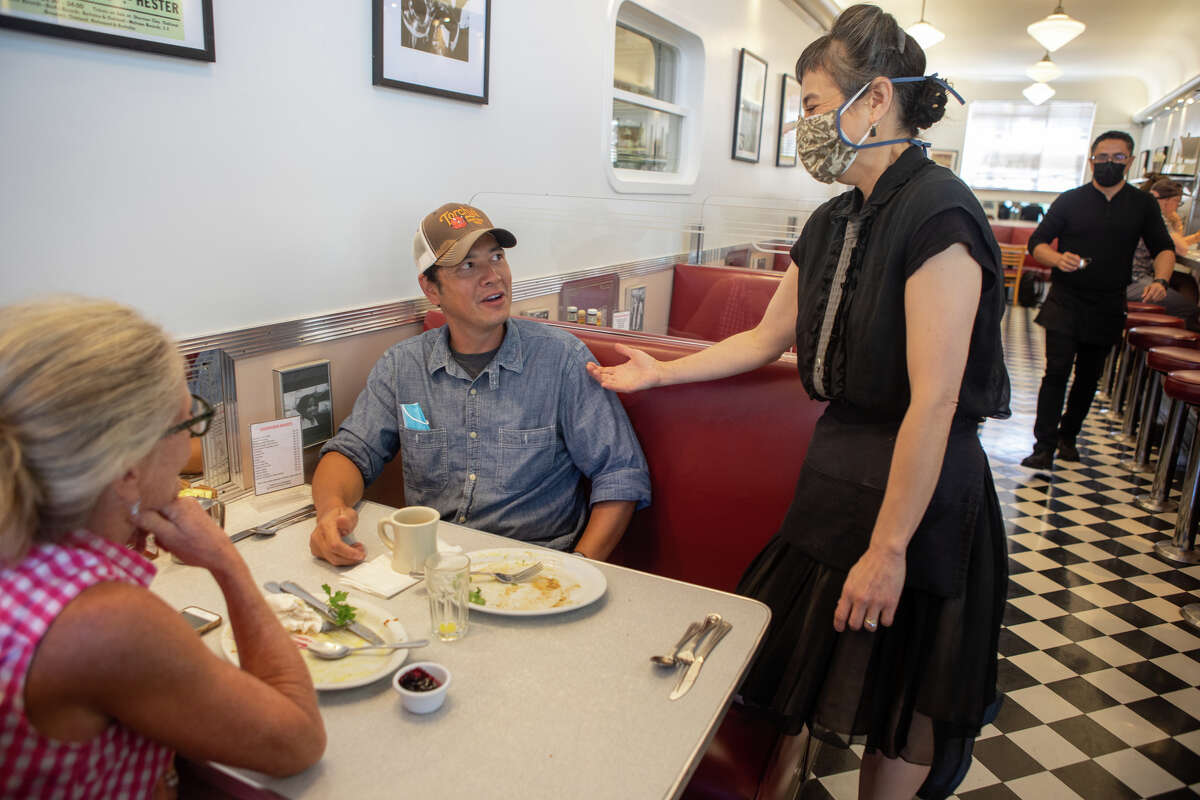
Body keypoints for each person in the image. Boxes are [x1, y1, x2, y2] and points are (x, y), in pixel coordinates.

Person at [589, 6, 1009, 798]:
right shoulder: (832, 219)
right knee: (825, 673)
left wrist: (888, 551)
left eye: (814, 106)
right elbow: (763, 339)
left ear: (875, 99)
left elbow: (936, 401)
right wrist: (658, 375)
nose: (804, 125)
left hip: (914, 494)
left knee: (901, 694)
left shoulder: (939, 213)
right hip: (834, 483)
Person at [0, 297, 325, 798]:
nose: (190, 444)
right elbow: (297, 742)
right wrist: (226, 560)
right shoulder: (105, 623)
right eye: (186, 424)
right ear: (127, 468)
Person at [309, 203, 650, 566]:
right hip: (431, 567)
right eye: (468, 266)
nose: (493, 276)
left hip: (535, 572)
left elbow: (620, 475)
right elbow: (350, 452)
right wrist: (330, 513)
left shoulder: (562, 359)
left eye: (497, 257)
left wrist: (580, 567)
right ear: (431, 289)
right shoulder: (401, 365)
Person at [1020, 131, 1176, 469]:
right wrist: (1056, 258)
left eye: (1117, 158)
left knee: (1089, 375)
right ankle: (1043, 445)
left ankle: (1068, 435)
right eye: (1102, 157)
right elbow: (1038, 242)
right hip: (1066, 299)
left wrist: (1162, 279)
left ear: (1130, 161)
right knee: (1056, 371)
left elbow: (1163, 247)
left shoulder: (1142, 204)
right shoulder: (1071, 200)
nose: (1108, 164)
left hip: (1108, 302)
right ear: (1091, 160)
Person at [1127, 178, 1200, 325]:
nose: (1177, 207)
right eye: (1177, 202)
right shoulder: (1157, 216)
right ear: (1168, 201)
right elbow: (1181, 248)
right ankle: (1175, 338)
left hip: (1129, 276)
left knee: (1187, 282)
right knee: (1189, 309)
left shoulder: (1138, 210)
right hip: (1133, 279)